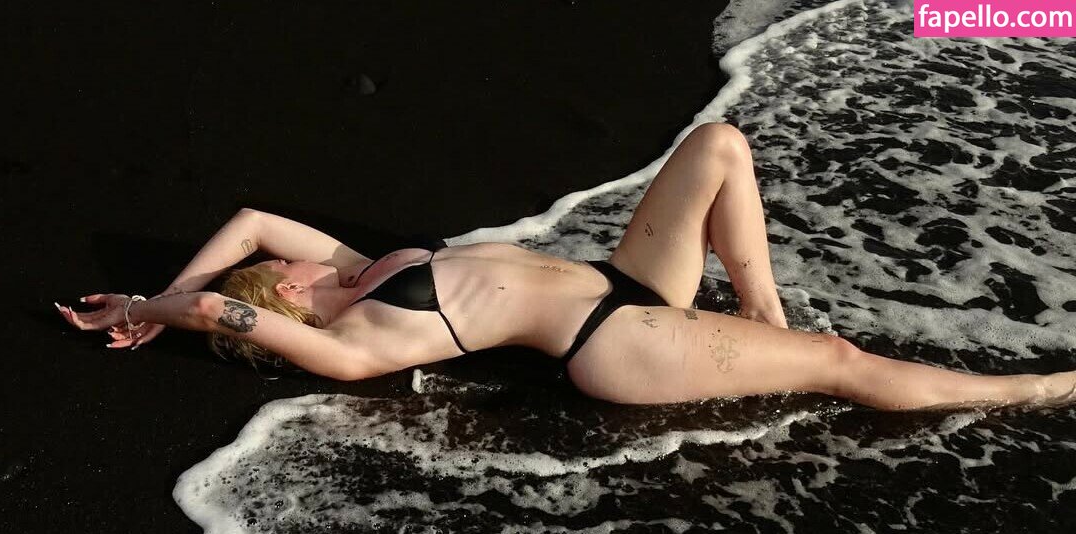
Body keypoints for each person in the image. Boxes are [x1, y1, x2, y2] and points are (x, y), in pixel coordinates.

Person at [56, 122, 1076, 410]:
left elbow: (249, 219)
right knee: (839, 362)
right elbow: (226, 316)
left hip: (627, 283)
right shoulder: (355, 338)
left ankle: (763, 318)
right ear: (287, 292)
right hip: (613, 343)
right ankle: (1030, 389)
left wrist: (172, 287)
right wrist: (151, 306)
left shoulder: (362, 271)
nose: (289, 252)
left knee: (720, 146)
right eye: (282, 267)